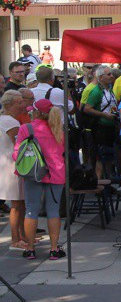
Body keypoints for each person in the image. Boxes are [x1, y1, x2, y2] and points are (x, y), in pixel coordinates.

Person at [13, 99, 66, 260]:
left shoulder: (26, 128)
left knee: (31, 210)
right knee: (53, 212)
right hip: (55, 173)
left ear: (37, 113)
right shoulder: (58, 129)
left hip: (33, 173)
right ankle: (54, 249)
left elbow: (17, 153)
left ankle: (30, 249)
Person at [0, 90, 26, 251]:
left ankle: (22, 235)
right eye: (19, 103)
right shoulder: (11, 122)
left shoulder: (5, 119)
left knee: (20, 203)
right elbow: (18, 145)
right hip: (12, 166)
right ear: (9, 105)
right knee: (17, 204)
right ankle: (16, 239)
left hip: (8, 164)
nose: (22, 106)